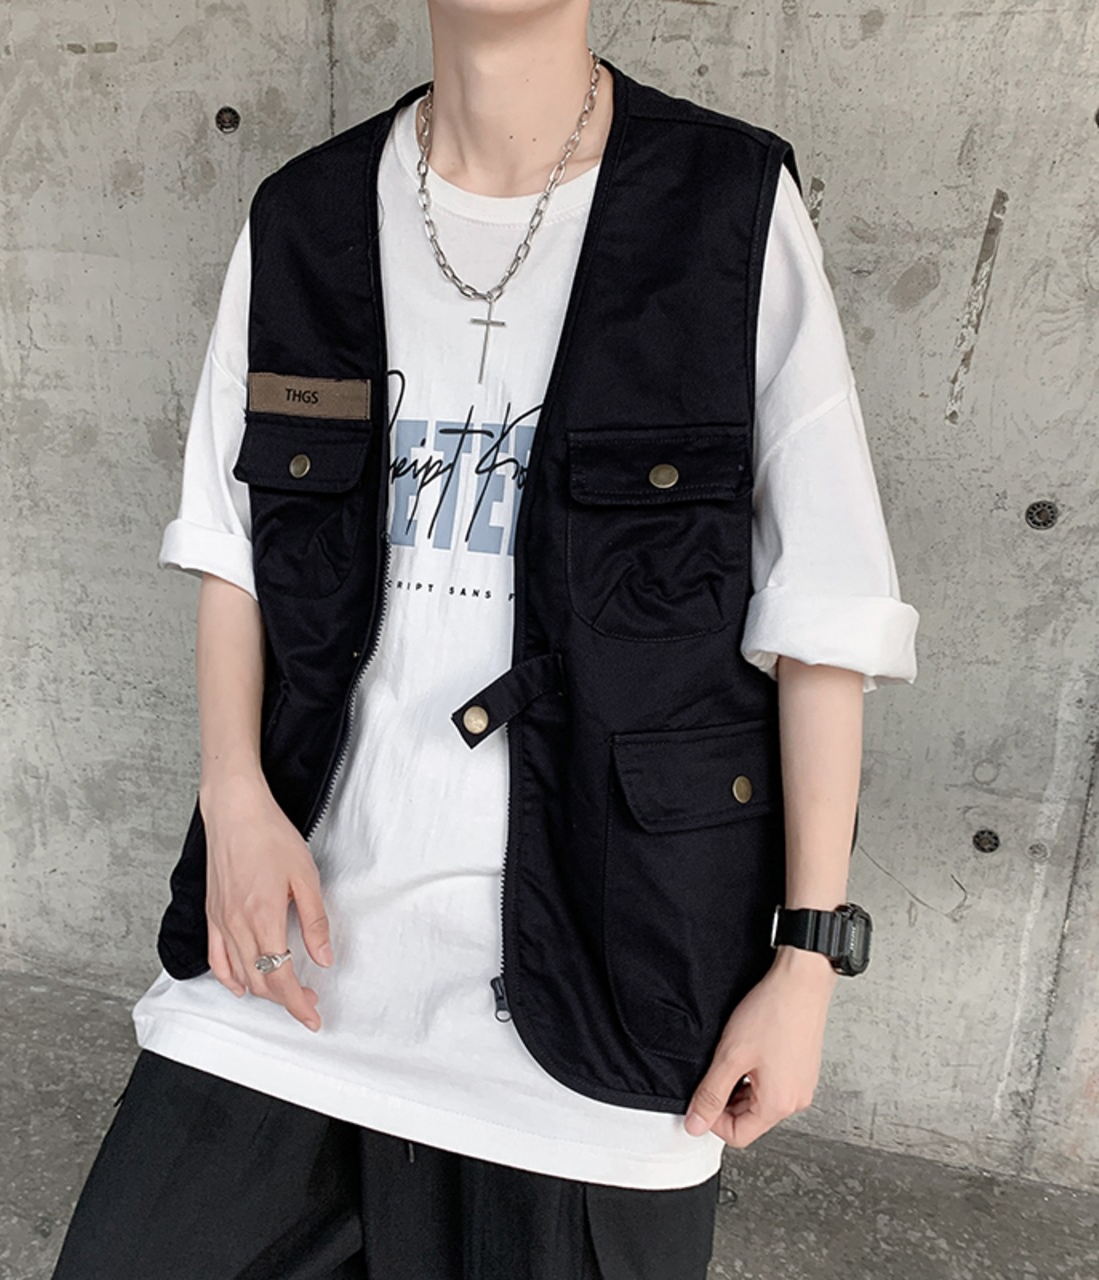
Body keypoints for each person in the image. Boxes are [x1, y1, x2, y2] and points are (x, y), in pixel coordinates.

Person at [51, 3, 919, 1277]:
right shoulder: (303, 217)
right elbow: (232, 547)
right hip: (292, 956)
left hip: (607, 976)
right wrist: (232, 793)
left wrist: (806, 958)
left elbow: (821, 612)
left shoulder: (723, 208)